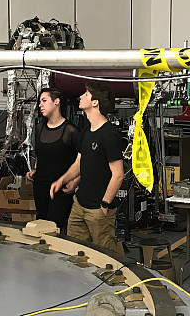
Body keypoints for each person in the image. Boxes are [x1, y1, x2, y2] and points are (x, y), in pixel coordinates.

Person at [50, 82, 124, 252]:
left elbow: (118, 174)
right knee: (76, 252)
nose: (80, 97)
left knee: (105, 256)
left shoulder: (109, 134)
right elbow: (79, 163)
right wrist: (61, 181)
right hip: (79, 204)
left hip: (98, 209)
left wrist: (104, 204)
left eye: (85, 94)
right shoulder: (86, 131)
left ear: (95, 102)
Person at [26, 88, 80, 233]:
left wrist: (75, 181)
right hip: (40, 185)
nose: (40, 105)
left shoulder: (70, 131)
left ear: (56, 102)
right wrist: (35, 170)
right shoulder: (39, 128)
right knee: (41, 224)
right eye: (39, 102)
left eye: (44, 101)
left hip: (61, 188)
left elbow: (83, 160)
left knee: (54, 227)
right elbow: (42, 153)